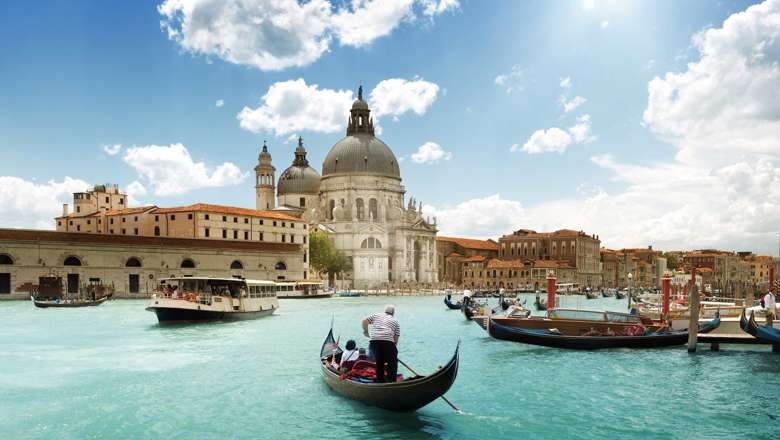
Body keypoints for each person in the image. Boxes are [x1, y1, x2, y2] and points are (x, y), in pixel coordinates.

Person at [362, 305, 400, 383]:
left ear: (384, 311)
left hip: (374, 342)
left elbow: (364, 321)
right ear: (393, 313)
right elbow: (395, 339)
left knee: (379, 361)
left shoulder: (376, 315)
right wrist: (392, 354)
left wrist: (366, 331)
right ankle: (392, 381)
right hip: (388, 342)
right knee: (392, 362)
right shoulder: (395, 321)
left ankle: (380, 381)